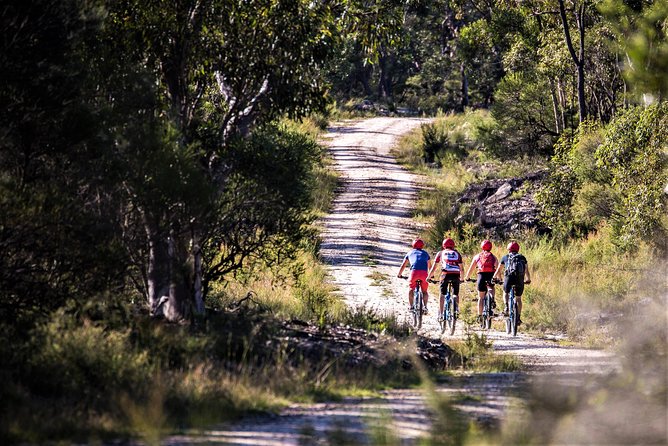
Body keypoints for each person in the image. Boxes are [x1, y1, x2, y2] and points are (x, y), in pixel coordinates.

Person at [494, 241, 531, 325]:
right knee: (518, 298)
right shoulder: (522, 258)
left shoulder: (505, 257)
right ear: (518, 249)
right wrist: (528, 279)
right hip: (519, 279)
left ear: (508, 249)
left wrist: (494, 277)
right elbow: (526, 270)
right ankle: (518, 317)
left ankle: (506, 307)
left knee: (505, 292)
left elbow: (499, 269)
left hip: (509, 278)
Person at [428, 237, 463, 321]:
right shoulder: (457, 253)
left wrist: (429, 277)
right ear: (453, 245)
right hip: (456, 274)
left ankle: (440, 313)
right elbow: (462, 268)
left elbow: (434, 267)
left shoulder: (441, 253)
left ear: (443, 245)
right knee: (456, 294)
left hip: (445, 274)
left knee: (442, 294)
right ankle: (456, 309)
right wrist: (461, 278)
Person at [464, 239, 499, 321]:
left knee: (481, 297)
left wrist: (467, 277)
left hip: (481, 275)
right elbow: (497, 269)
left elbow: (471, 268)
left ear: (482, 247)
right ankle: (492, 298)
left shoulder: (477, 256)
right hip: (491, 274)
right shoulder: (493, 257)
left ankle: (479, 316)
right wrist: (498, 278)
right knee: (491, 287)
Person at [397, 238, 432, 314]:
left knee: (411, 289)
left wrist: (399, 274)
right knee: (425, 291)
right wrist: (431, 276)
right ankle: (425, 307)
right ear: (422, 246)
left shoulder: (410, 253)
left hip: (414, 273)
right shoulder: (426, 254)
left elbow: (403, 265)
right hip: (424, 274)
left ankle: (411, 306)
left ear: (413, 245)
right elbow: (430, 266)